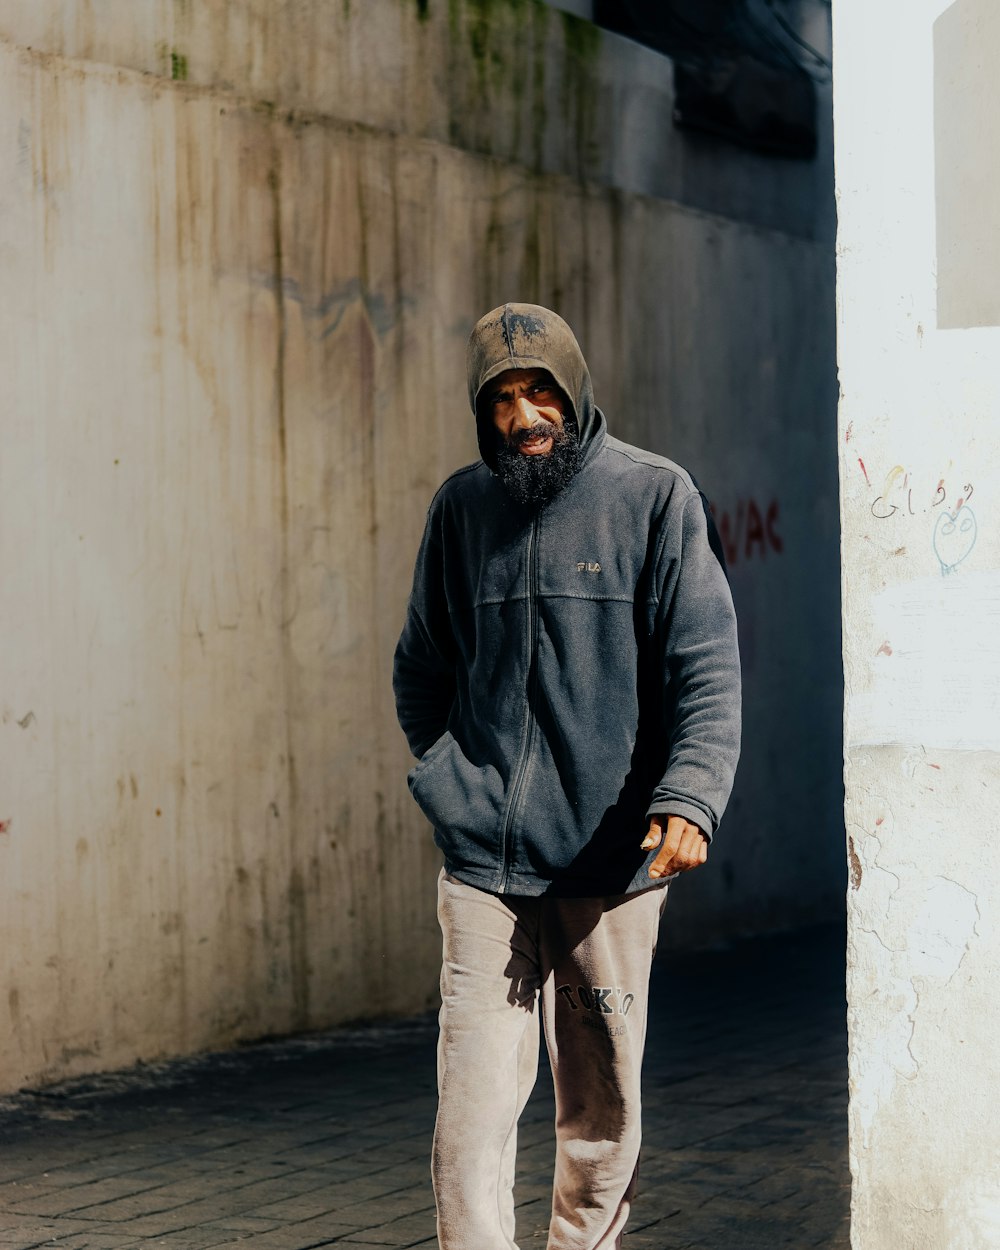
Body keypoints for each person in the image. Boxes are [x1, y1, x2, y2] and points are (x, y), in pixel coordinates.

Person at [393, 303, 741, 1250]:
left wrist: (689, 797)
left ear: (574, 389)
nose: (521, 416)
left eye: (538, 389)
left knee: (600, 1111)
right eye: (501, 399)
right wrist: (451, 777)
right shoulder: (462, 509)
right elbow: (421, 666)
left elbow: (704, 663)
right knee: (469, 1108)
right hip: (485, 868)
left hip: (611, 862)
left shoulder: (655, 498)